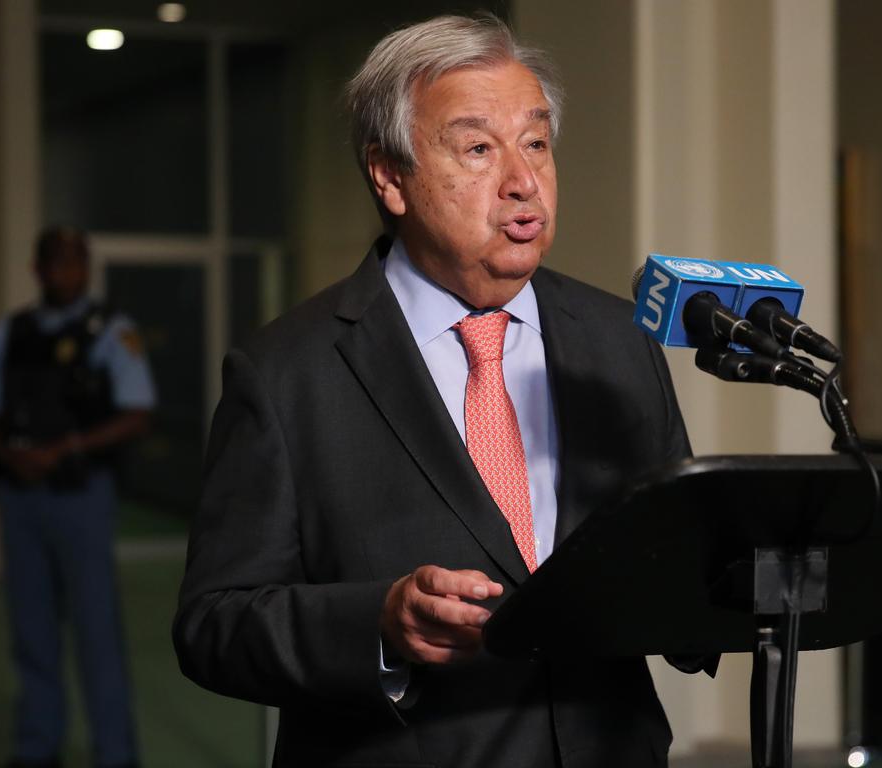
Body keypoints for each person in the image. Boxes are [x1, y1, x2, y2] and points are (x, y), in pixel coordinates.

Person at [174, 14, 714, 768]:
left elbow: (676, 557)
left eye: (536, 142)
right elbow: (212, 624)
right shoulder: (286, 371)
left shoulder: (620, 339)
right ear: (390, 178)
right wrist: (378, 624)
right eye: (478, 149)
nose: (524, 180)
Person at [0, 227, 154, 768]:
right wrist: (10, 453)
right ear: (38, 269)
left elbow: (136, 414)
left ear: (86, 268)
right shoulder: (14, 332)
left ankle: (115, 755)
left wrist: (68, 446)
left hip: (80, 497)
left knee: (97, 633)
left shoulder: (110, 332)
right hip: (22, 498)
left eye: (75, 262)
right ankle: (36, 747)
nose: (66, 272)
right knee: (31, 630)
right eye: (56, 262)